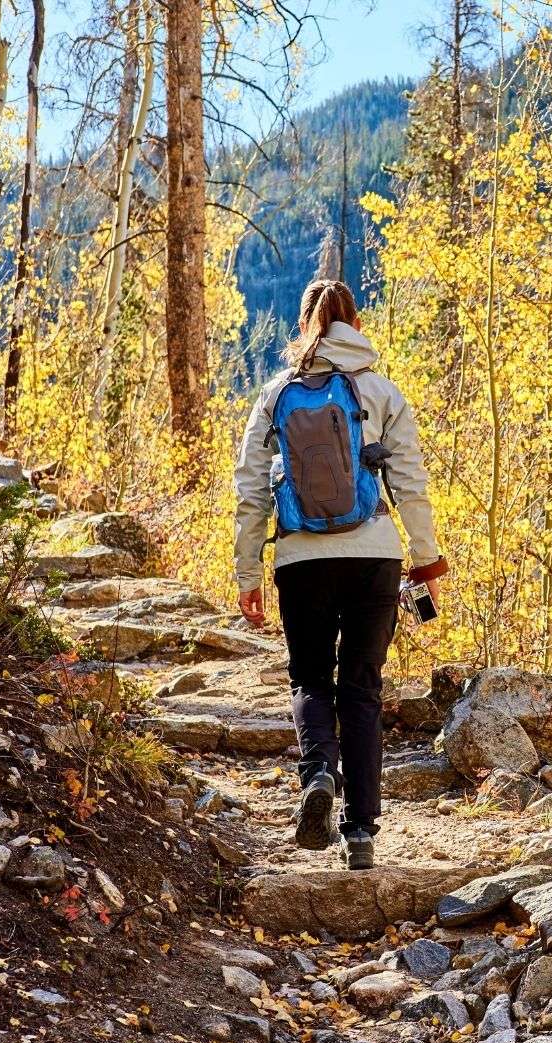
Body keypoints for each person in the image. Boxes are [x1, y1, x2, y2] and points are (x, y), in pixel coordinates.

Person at [233, 279, 447, 870]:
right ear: (356, 324)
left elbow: (251, 491)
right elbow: (410, 484)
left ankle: (319, 773)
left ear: (305, 326)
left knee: (309, 678)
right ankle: (360, 834)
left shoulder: (276, 394)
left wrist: (248, 572)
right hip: (374, 557)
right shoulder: (381, 391)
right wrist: (426, 562)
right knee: (362, 688)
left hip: (300, 559)